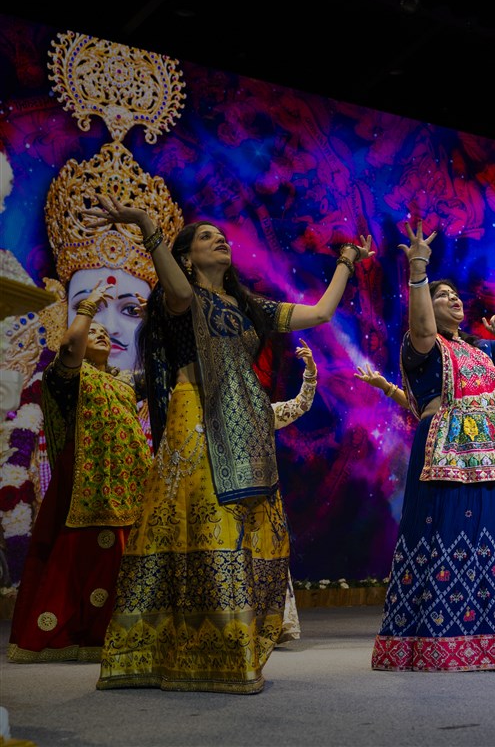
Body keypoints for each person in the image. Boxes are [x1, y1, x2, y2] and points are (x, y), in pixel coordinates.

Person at [86, 193, 373, 693]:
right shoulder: (180, 298)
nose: (219, 240)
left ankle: (230, 649)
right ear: (186, 256)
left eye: (221, 236)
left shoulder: (248, 306)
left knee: (245, 531)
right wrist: (147, 225)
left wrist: (347, 260)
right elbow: (179, 290)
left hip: (245, 429)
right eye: (205, 237)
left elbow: (321, 314)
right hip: (196, 418)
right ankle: (194, 652)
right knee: (206, 525)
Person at [369, 221, 495, 672]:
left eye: (456, 295)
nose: (454, 299)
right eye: (443, 296)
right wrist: (419, 270)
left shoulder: (482, 350)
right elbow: (421, 325)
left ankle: (494, 643)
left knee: (493, 542)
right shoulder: (422, 347)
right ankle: (436, 643)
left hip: (492, 458)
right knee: (446, 536)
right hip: (445, 456)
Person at [6, 280, 152, 663]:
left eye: (105, 333)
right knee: (83, 558)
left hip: (128, 486)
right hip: (88, 485)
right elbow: (71, 347)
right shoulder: (68, 378)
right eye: (93, 331)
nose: (101, 334)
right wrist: (87, 307)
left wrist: (152, 320)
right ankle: (75, 632)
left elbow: (161, 365)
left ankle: (121, 632)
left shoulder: (123, 384)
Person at [270, 339, 321, 644]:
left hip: (264, 496)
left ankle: (272, 624)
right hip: (226, 497)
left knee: (268, 556)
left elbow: (301, 404)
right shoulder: (214, 418)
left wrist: (310, 370)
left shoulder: (263, 413)